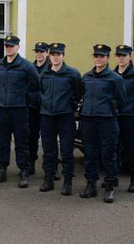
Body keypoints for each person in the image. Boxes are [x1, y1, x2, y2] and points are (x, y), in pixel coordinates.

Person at [0, 35, 40, 188]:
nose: (9, 48)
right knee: (2, 142)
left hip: (19, 110)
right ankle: (2, 170)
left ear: (18, 47)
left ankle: (24, 171)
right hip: (2, 109)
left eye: (12, 46)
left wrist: (26, 100)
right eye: (7, 46)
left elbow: (36, 85)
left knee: (21, 142)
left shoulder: (26, 66)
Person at [80, 44, 126, 202]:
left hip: (107, 121)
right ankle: (91, 184)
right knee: (90, 154)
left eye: (102, 56)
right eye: (96, 56)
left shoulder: (115, 78)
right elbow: (80, 96)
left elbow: (122, 100)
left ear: (107, 58)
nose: (98, 59)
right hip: (88, 120)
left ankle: (110, 186)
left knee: (108, 155)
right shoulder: (86, 77)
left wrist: (109, 111)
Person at [38, 43, 81, 195]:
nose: (55, 57)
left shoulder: (72, 74)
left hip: (65, 116)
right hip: (47, 116)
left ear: (63, 56)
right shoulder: (44, 74)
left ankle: (67, 182)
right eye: (53, 54)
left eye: (58, 54)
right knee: (49, 150)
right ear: (49, 56)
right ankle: (48, 179)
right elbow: (41, 91)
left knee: (67, 150)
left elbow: (77, 93)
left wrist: (69, 105)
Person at [114, 44, 134, 193]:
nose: (121, 58)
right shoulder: (112, 74)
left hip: (129, 117)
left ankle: (133, 181)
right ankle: (112, 178)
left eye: (124, 55)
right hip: (113, 116)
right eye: (119, 55)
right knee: (113, 148)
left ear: (129, 57)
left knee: (131, 149)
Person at [29, 41, 50, 175]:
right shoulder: (30, 68)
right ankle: (30, 164)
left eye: (42, 52)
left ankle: (50, 168)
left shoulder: (52, 68)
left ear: (47, 53)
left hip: (47, 109)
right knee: (31, 138)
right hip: (32, 108)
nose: (39, 54)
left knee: (49, 139)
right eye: (37, 52)